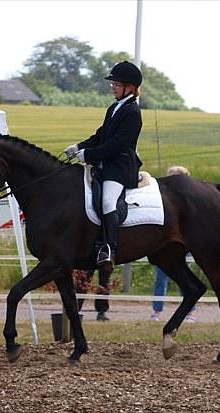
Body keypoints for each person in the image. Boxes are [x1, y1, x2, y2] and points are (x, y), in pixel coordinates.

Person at [64, 60, 143, 273]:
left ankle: (109, 248)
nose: (113, 87)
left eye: (117, 84)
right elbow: (101, 135)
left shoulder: (133, 112)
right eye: (113, 84)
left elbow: (117, 145)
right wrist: (79, 146)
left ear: (130, 87)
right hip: (106, 166)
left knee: (108, 200)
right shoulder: (114, 108)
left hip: (120, 168)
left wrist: (87, 154)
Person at [151, 166, 196, 323]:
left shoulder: (192, 201)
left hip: (184, 244)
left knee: (185, 277)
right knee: (160, 278)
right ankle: (156, 310)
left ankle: (190, 312)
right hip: (164, 244)